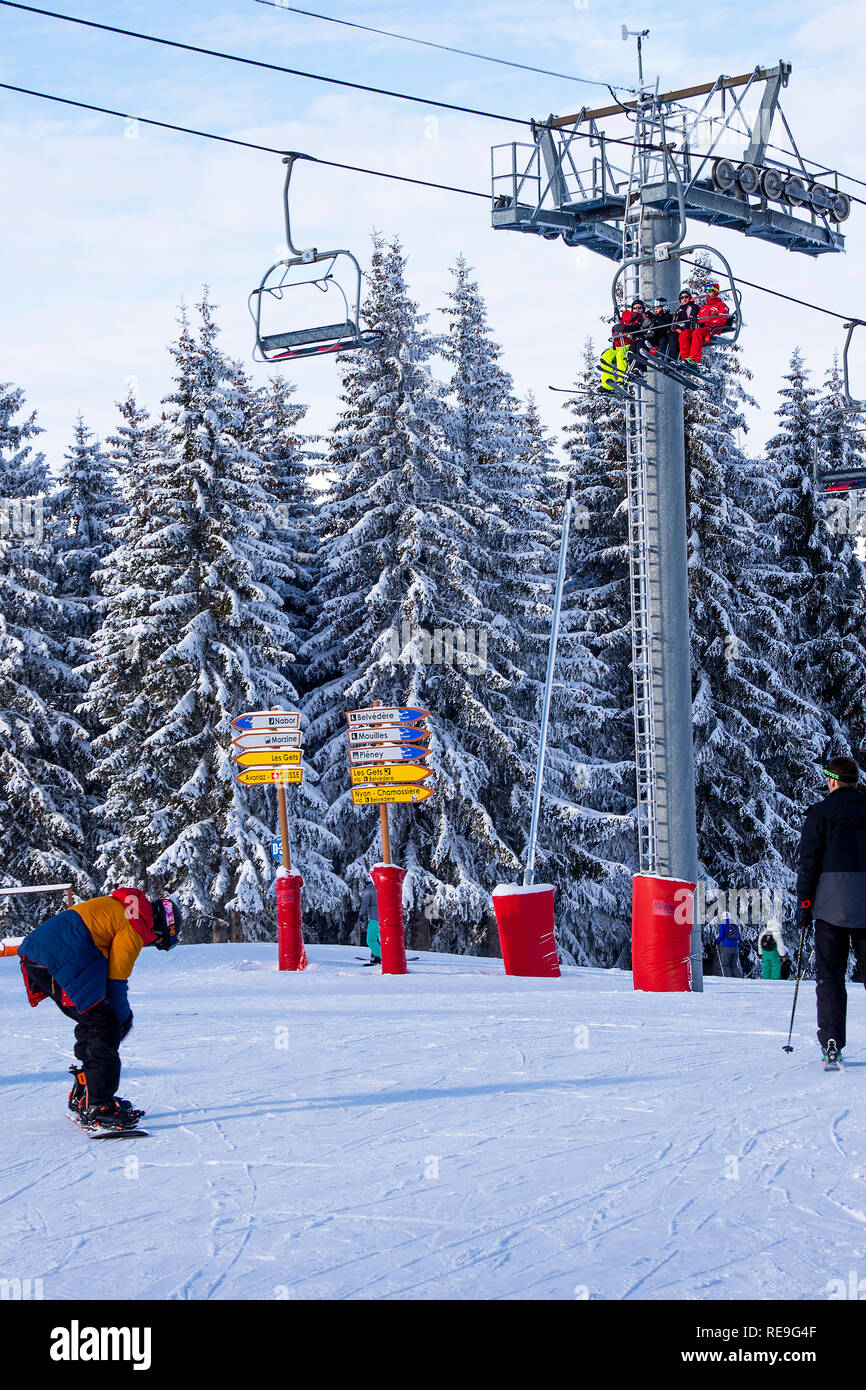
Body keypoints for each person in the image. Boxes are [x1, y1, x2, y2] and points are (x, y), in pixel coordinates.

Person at [19, 888, 181, 1130]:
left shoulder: (127, 909)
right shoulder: (136, 927)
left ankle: (85, 1093)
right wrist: (123, 1019)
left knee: (94, 1020)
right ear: (159, 929)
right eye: (158, 941)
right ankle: (98, 1104)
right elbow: (116, 982)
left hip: (42, 953)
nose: (152, 944)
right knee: (105, 1023)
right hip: (58, 957)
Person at [796, 755, 866, 1064]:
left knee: (830, 978)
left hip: (829, 908)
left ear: (832, 780)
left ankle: (832, 1043)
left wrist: (804, 906)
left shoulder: (819, 814)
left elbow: (808, 864)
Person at [601, 298, 653, 391]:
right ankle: (607, 386)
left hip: (629, 343)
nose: (637, 310)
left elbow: (638, 328)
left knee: (621, 355)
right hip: (618, 344)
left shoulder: (642, 318)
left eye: (639, 308)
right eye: (635, 308)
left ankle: (622, 381)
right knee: (605, 357)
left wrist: (625, 328)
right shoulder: (627, 318)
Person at [682, 281, 730, 366]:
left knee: (697, 333)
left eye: (710, 292)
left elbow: (721, 320)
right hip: (701, 329)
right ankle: (684, 358)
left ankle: (694, 359)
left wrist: (707, 323)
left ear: (715, 293)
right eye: (706, 292)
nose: (707, 294)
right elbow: (698, 319)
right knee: (684, 334)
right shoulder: (704, 307)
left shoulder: (721, 306)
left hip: (711, 330)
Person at [357, 877, 380, 965]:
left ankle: (381, 956)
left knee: (371, 939)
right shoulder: (383, 886)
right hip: (385, 918)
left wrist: (361, 914)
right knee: (381, 939)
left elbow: (365, 902)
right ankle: (376, 956)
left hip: (374, 918)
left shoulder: (370, 888)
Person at [674, 289, 699, 362]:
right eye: (682, 298)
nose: (684, 299)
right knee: (671, 335)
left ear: (689, 298)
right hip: (680, 329)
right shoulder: (679, 310)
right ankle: (672, 358)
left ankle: (684, 358)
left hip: (689, 329)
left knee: (683, 335)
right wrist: (676, 328)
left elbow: (692, 319)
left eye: (686, 297)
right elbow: (675, 322)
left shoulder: (693, 307)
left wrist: (681, 327)